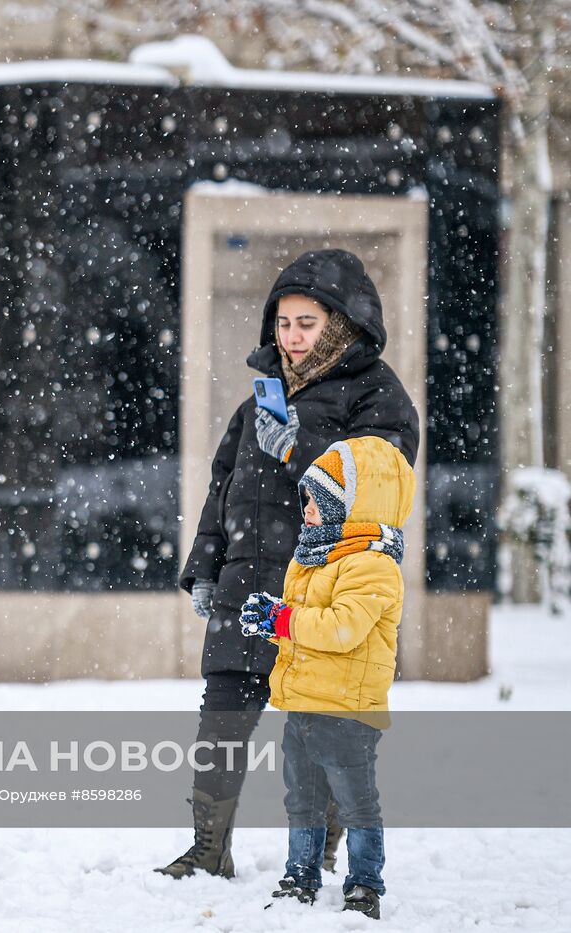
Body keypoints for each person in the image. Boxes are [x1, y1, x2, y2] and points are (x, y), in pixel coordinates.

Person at [158, 249, 418, 880]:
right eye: (282, 323)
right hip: (247, 585)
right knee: (221, 716)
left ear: (339, 322)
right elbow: (224, 493)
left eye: (306, 322)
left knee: (321, 729)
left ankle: (323, 856)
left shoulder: (376, 394)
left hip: (323, 590)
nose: (292, 336)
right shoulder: (256, 407)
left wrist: (302, 448)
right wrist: (204, 569)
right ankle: (207, 848)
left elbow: (383, 483)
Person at [240, 434, 413, 919]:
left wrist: (283, 621)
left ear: (351, 505)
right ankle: (301, 873)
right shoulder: (314, 555)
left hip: (348, 708)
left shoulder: (373, 565)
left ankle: (364, 883)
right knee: (303, 800)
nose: (308, 507)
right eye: (308, 497)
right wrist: (273, 621)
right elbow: (304, 628)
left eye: (321, 499)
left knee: (356, 803)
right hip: (304, 703)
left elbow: (341, 629)